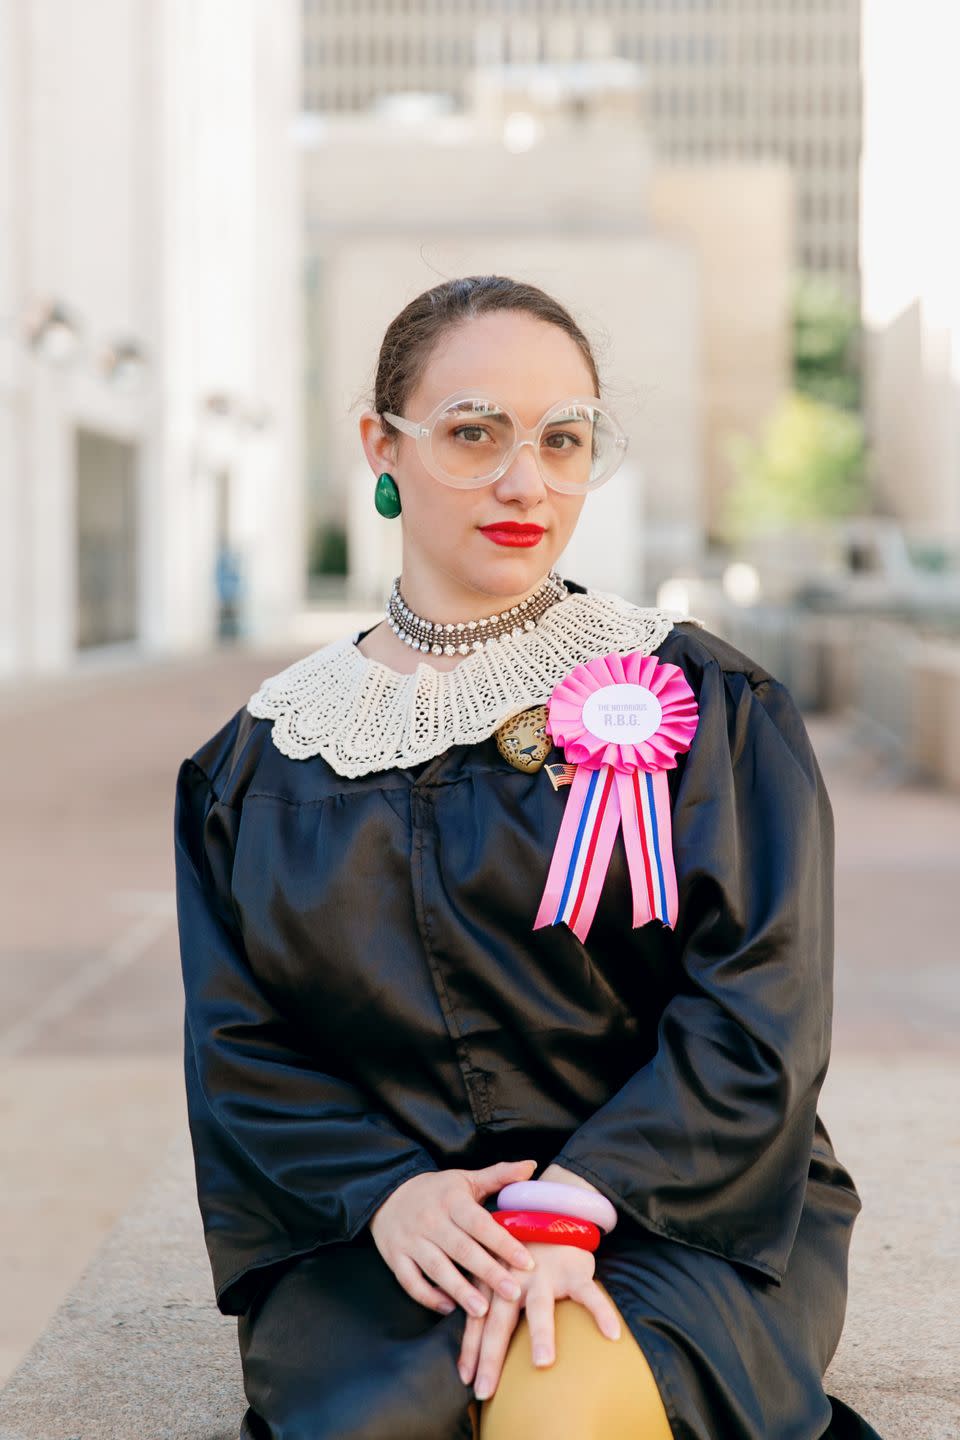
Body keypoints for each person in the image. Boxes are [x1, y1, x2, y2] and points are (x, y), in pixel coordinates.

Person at [174, 275, 885, 1439]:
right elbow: (243, 1046)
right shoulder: (257, 764)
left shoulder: (703, 700)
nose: (527, 482)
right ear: (380, 444)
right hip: (395, 1225)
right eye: (473, 433)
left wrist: (585, 1197)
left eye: (564, 439)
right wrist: (382, 1193)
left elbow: (761, 999)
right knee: (391, 1418)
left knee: (569, 1398)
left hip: (678, 1194)